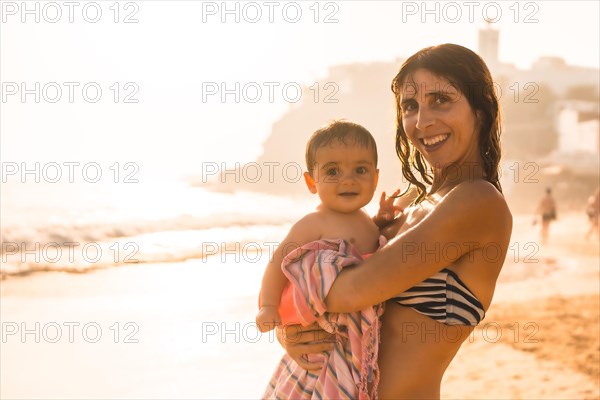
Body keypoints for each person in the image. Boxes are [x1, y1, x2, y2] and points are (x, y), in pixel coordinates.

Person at [275, 43, 513, 399]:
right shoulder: (412, 208)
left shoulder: (477, 201)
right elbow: (334, 298)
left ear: (479, 110)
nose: (422, 121)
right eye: (410, 106)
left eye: (441, 100)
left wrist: (286, 304)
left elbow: (354, 290)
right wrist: (289, 331)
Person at [256, 120, 405, 399]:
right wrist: (267, 305)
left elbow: (365, 252)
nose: (347, 180)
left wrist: (381, 220)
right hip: (325, 337)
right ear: (312, 182)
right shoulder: (313, 223)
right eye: (333, 171)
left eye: (360, 170)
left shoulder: (366, 222)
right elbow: (278, 263)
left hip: (357, 337)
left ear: (374, 178)